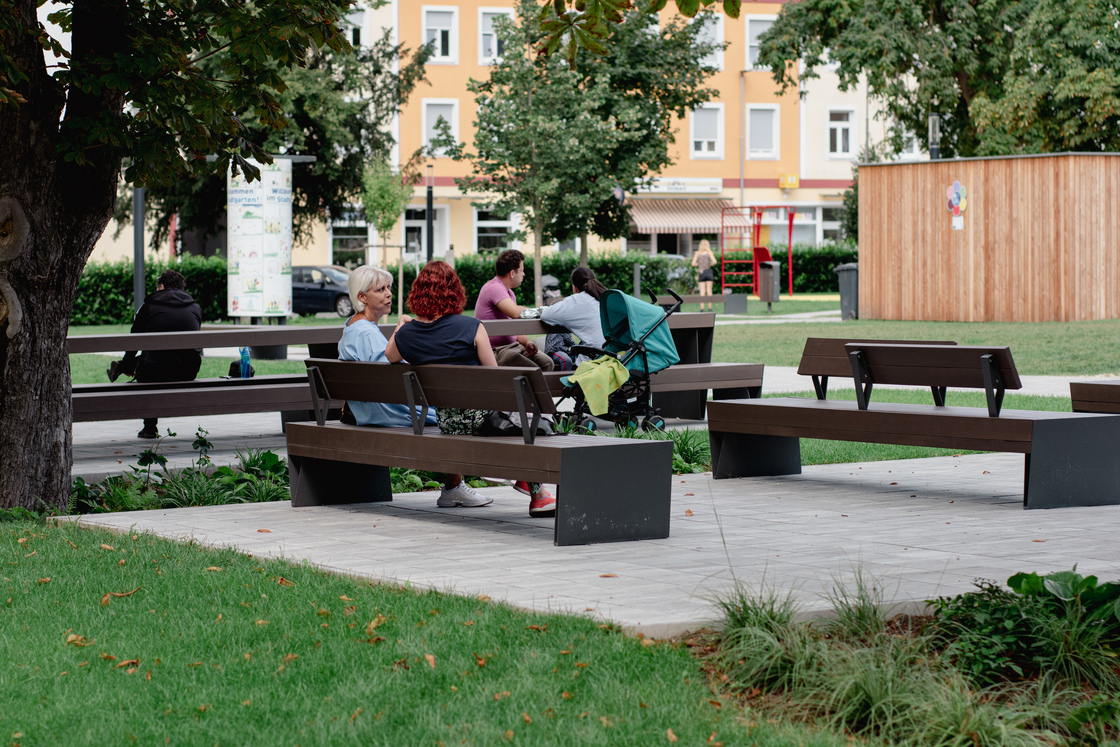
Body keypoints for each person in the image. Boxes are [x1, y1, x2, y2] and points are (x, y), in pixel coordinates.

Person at [386, 261, 557, 518]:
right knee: (526, 419)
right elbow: (495, 383)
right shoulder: (471, 327)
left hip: (446, 421)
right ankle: (538, 495)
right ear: (455, 291)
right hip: (480, 420)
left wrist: (401, 323)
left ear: (418, 292)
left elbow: (390, 356)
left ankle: (454, 486)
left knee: (490, 419)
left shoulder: (407, 334)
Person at [338, 264, 439, 430]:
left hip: (367, 410)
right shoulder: (367, 333)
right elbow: (395, 378)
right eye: (380, 289)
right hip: (386, 412)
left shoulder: (352, 325)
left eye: (388, 287)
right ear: (362, 297)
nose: (389, 294)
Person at [107, 269, 202, 439]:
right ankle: (124, 366)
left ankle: (149, 428)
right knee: (160, 359)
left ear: (162, 286)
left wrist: (127, 364)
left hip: (154, 371)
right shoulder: (195, 307)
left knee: (152, 364)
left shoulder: (149, 307)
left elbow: (134, 342)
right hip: (187, 370)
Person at [474, 248, 553, 371]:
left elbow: (513, 327)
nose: (523, 274)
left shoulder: (509, 293)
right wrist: (543, 311)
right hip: (496, 350)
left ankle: (533, 390)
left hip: (513, 346)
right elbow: (516, 313)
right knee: (534, 371)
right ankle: (527, 390)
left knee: (547, 363)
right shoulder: (494, 287)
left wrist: (527, 341)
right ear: (512, 273)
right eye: (521, 271)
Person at [539, 266, 607, 366]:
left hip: (592, 362)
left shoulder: (575, 301)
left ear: (574, 287)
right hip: (615, 358)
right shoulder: (605, 296)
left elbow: (545, 315)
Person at [691, 239, 717, 311]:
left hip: (701, 272)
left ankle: (702, 308)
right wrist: (709, 264)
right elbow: (715, 261)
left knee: (702, 291)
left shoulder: (697, 253)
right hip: (708, 271)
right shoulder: (709, 253)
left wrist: (698, 264)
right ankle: (710, 308)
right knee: (709, 290)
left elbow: (693, 263)